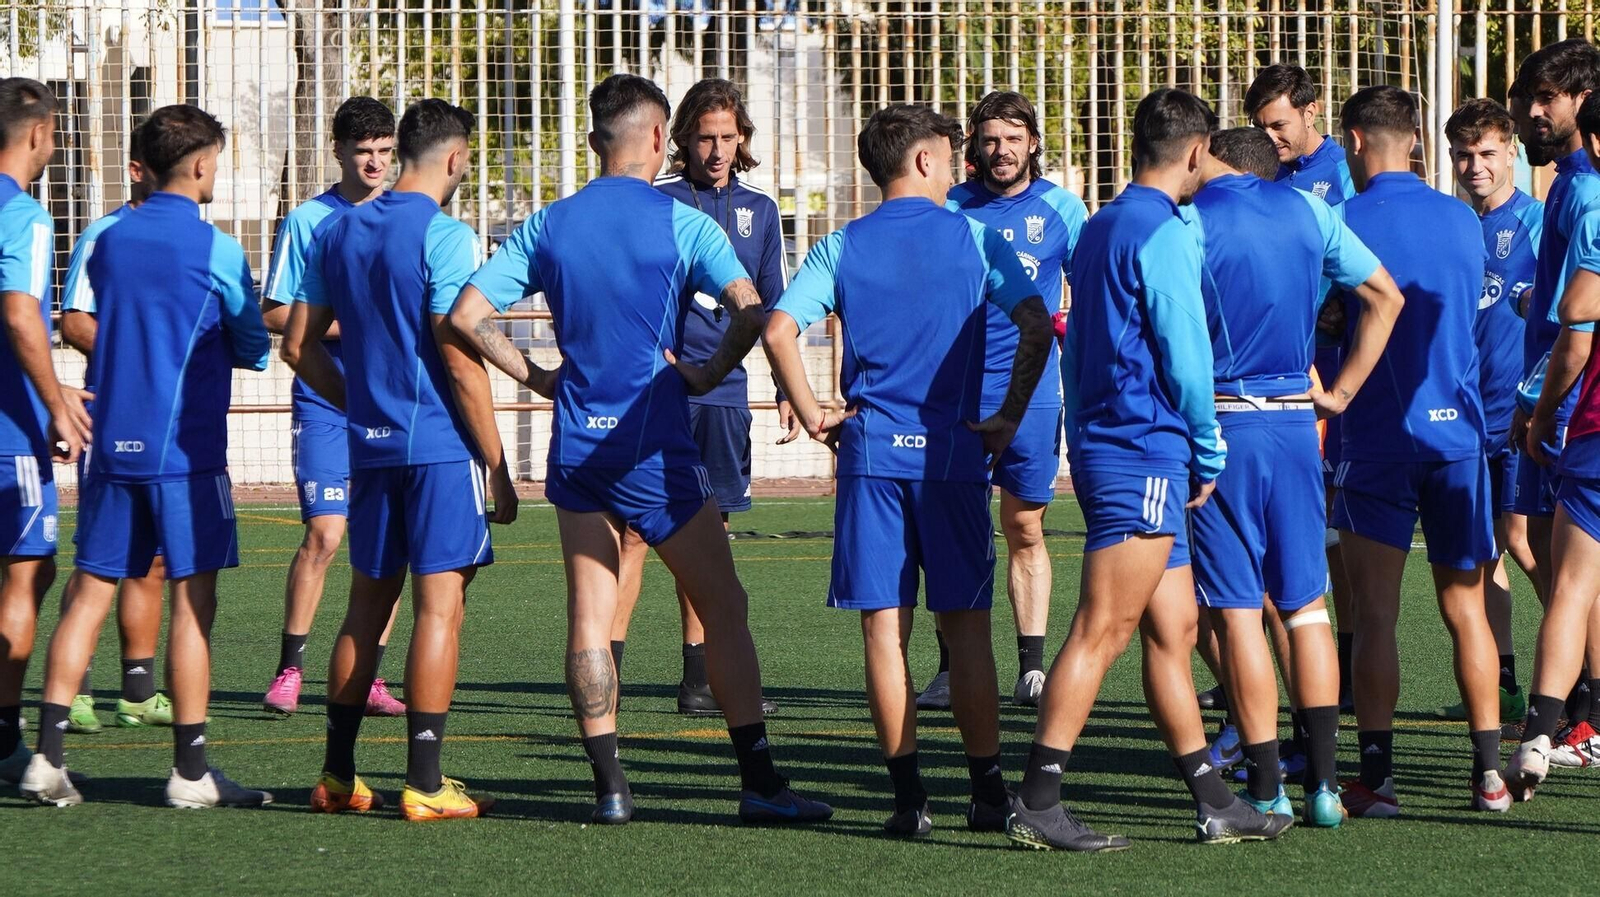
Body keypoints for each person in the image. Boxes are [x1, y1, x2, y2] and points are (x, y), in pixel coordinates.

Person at [449, 73, 831, 827]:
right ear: (661, 140)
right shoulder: (683, 222)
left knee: (590, 616)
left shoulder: (550, 223)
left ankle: (611, 786)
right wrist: (708, 371)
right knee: (724, 606)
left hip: (578, 451)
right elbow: (753, 308)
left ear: (596, 142)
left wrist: (543, 377)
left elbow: (467, 314)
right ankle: (759, 781)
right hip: (653, 447)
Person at [1006, 88, 1288, 851]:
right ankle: (1037, 796)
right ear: (1196, 153)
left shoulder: (1100, 224)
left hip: (1115, 441)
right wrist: (1207, 444)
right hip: (1144, 448)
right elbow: (1186, 354)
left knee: (1175, 625)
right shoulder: (1160, 231)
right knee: (1105, 627)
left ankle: (1213, 796)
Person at [765, 104, 1051, 836]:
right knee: (969, 634)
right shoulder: (977, 236)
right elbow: (1036, 324)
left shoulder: (842, 244)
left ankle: (908, 802)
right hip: (953, 455)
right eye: (952, 155)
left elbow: (777, 328)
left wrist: (817, 412)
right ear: (922, 161)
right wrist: (1008, 419)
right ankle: (988, 795)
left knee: (883, 634)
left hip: (870, 458)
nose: (962, 167)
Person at [21, 104, 273, 808]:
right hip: (185, 453)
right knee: (193, 607)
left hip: (110, 443)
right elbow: (252, 338)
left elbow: (89, 322)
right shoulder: (216, 247)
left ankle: (48, 755)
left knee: (87, 595)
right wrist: (233, 346)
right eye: (216, 161)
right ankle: (190, 773)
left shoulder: (109, 239)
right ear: (198, 165)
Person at [283, 98, 506, 822]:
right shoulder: (446, 234)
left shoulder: (337, 228)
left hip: (370, 449)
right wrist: (497, 461)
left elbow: (295, 345)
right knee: (440, 608)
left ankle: (338, 775)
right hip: (439, 448)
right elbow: (459, 355)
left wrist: (357, 402)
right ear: (453, 157)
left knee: (365, 608)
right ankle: (426, 780)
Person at [1188, 126, 1403, 829]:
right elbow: (1386, 297)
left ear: (1217, 160)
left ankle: (1268, 785)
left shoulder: (1187, 220)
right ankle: (1325, 787)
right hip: (1293, 427)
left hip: (1222, 422)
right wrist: (1339, 392)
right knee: (1308, 606)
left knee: (1240, 609)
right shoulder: (1311, 212)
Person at [1326, 85, 1506, 816]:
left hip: (1376, 439)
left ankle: (1378, 777)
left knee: (1376, 613)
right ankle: (1489, 773)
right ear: (1418, 142)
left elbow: (1328, 318)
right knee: (1466, 608)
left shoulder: (1339, 218)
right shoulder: (1464, 220)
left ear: (1358, 142)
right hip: (1457, 437)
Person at [611, 77, 783, 717]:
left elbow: (769, 311)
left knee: (708, 529)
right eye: (705, 137)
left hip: (725, 393)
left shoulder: (760, 212)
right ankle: (610, 666)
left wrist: (785, 389)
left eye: (727, 137)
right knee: (633, 531)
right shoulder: (656, 202)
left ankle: (698, 678)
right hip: (658, 391)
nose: (716, 149)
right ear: (678, 138)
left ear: (742, 141)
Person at [915, 90, 1084, 712]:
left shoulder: (1064, 208)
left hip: (1033, 392)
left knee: (1024, 525)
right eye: (989, 140)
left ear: (1032, 142)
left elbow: (1089, 295)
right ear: (974, 149)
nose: (1000, 150)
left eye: (1013, 139)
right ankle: (950, 667)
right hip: (956, 391)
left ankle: (1032, 669)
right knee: (949, 530)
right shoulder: (951, 205)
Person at [261, 97, 405, 718]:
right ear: (338, 151)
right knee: (325, 532)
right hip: (325, 397)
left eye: (384, 151)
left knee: (384, 539)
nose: (374, 163)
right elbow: (273, 312)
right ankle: (290, 668)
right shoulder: (308, 220)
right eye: (362, 151)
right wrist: (357, 325)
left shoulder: (409, 216)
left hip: (391, 402)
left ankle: (368, 674)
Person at [1246, 62, 1359, 721]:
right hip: (1279, 368)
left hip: (1320, 367)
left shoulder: (1340, 173)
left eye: (1279, 124)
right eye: (1261, 126)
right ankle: (1265, 665)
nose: (1271, 136)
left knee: (1325, 524)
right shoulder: (1272, 173)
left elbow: (1355, 269)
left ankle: (1333, 662)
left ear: (1312, 112)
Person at [56, 129, 175, 734]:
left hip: (167, 424)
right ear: (137, 171)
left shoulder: (195, 240)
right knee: (98, 559)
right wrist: (137, 360)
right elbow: (74, 319)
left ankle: (138, 690)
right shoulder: (103, 234)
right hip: (111, 416)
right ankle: (73, 692)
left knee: (151, 561)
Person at [1506, 40, 1600, 759]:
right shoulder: (1569, 182)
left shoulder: (1587, 188)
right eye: (1527, 99)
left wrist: (1538, 403)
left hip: (1574, 407)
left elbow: (1579, 319)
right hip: (1568, 401)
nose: (1533, 113)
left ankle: (1578, 713)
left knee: (1564, 559)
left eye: (1548, 98)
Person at [1437, 98, 1543, 727]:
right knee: (1482, 557)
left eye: (1485, 153)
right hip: (1468, 417)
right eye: (1462, 154)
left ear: (1512, 152)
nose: (1473, 166)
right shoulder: (1455, 225)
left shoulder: (1536, 221)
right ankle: (1502, 682)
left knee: (1531, 547)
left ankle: (1582, 681)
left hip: (1525, 415)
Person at [0, 78, 92, 787]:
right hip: (7, 431)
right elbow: (22, 315)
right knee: (27, 570)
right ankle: (4, 734)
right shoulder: (25, 215)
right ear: (36, 135)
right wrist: (56, 406)